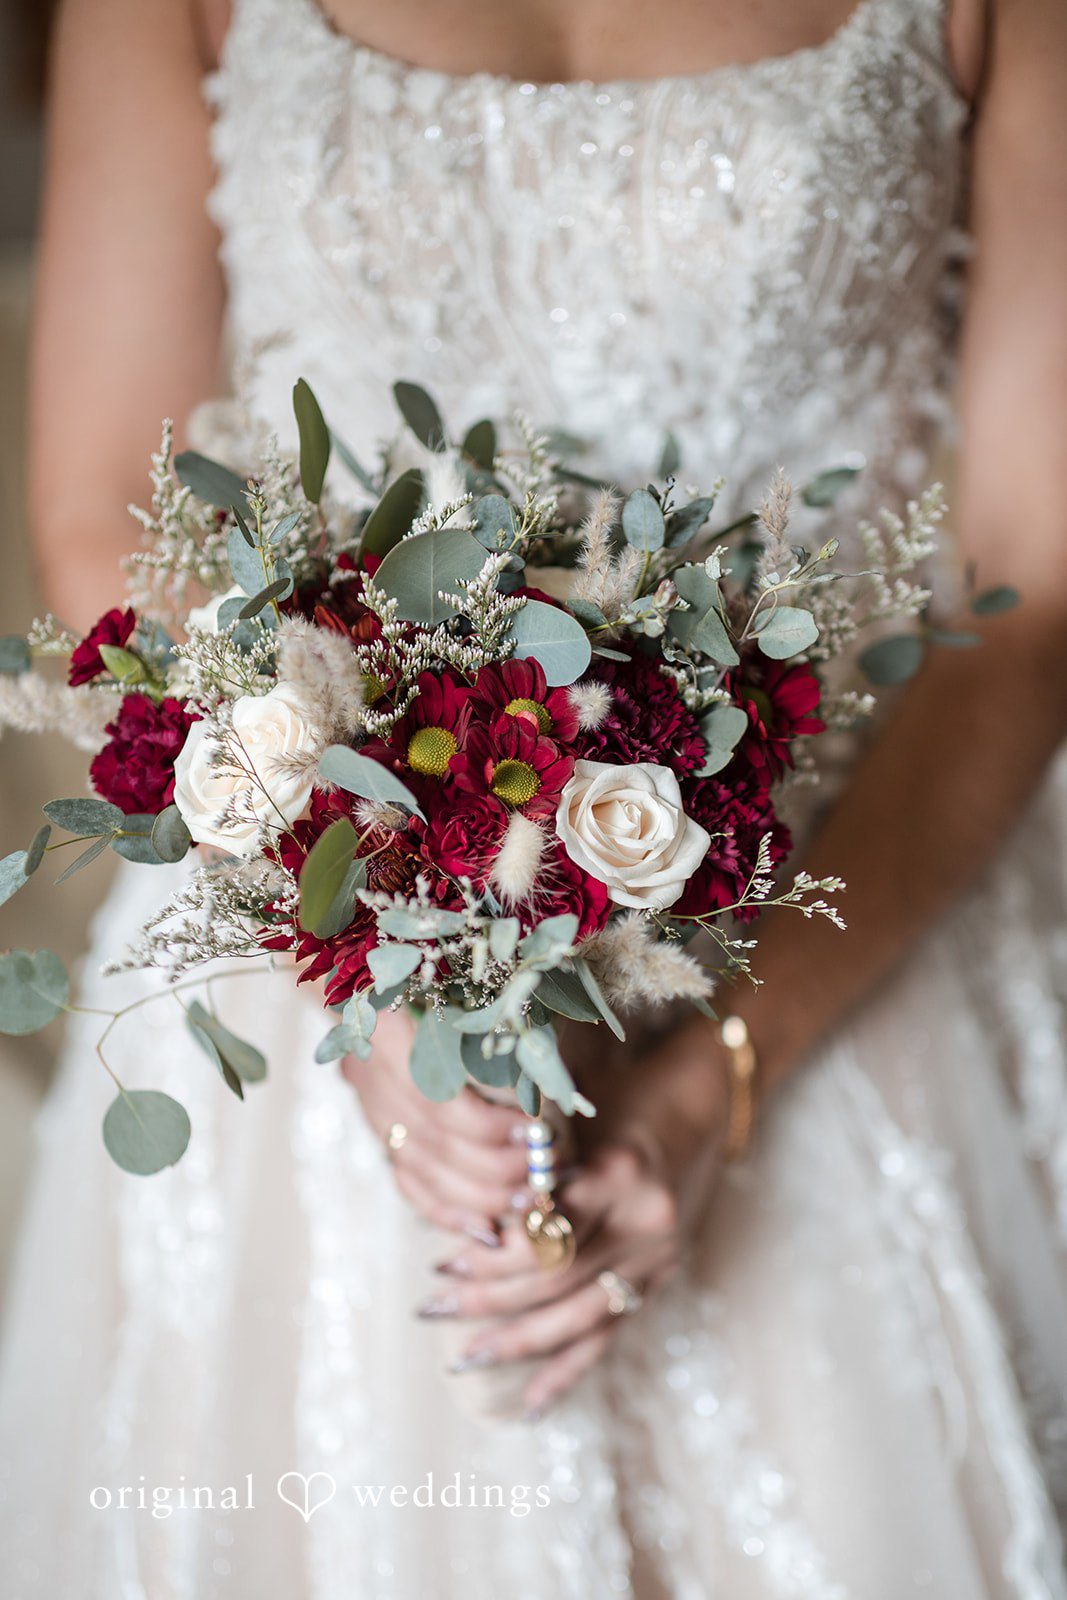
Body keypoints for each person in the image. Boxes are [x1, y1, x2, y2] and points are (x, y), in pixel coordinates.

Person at [2, 0, 1066, 1593]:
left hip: (848, 921)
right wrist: (364, 961)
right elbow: (106, 516)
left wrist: (724, 1069)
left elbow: (1033, 585)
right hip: (311, 953)